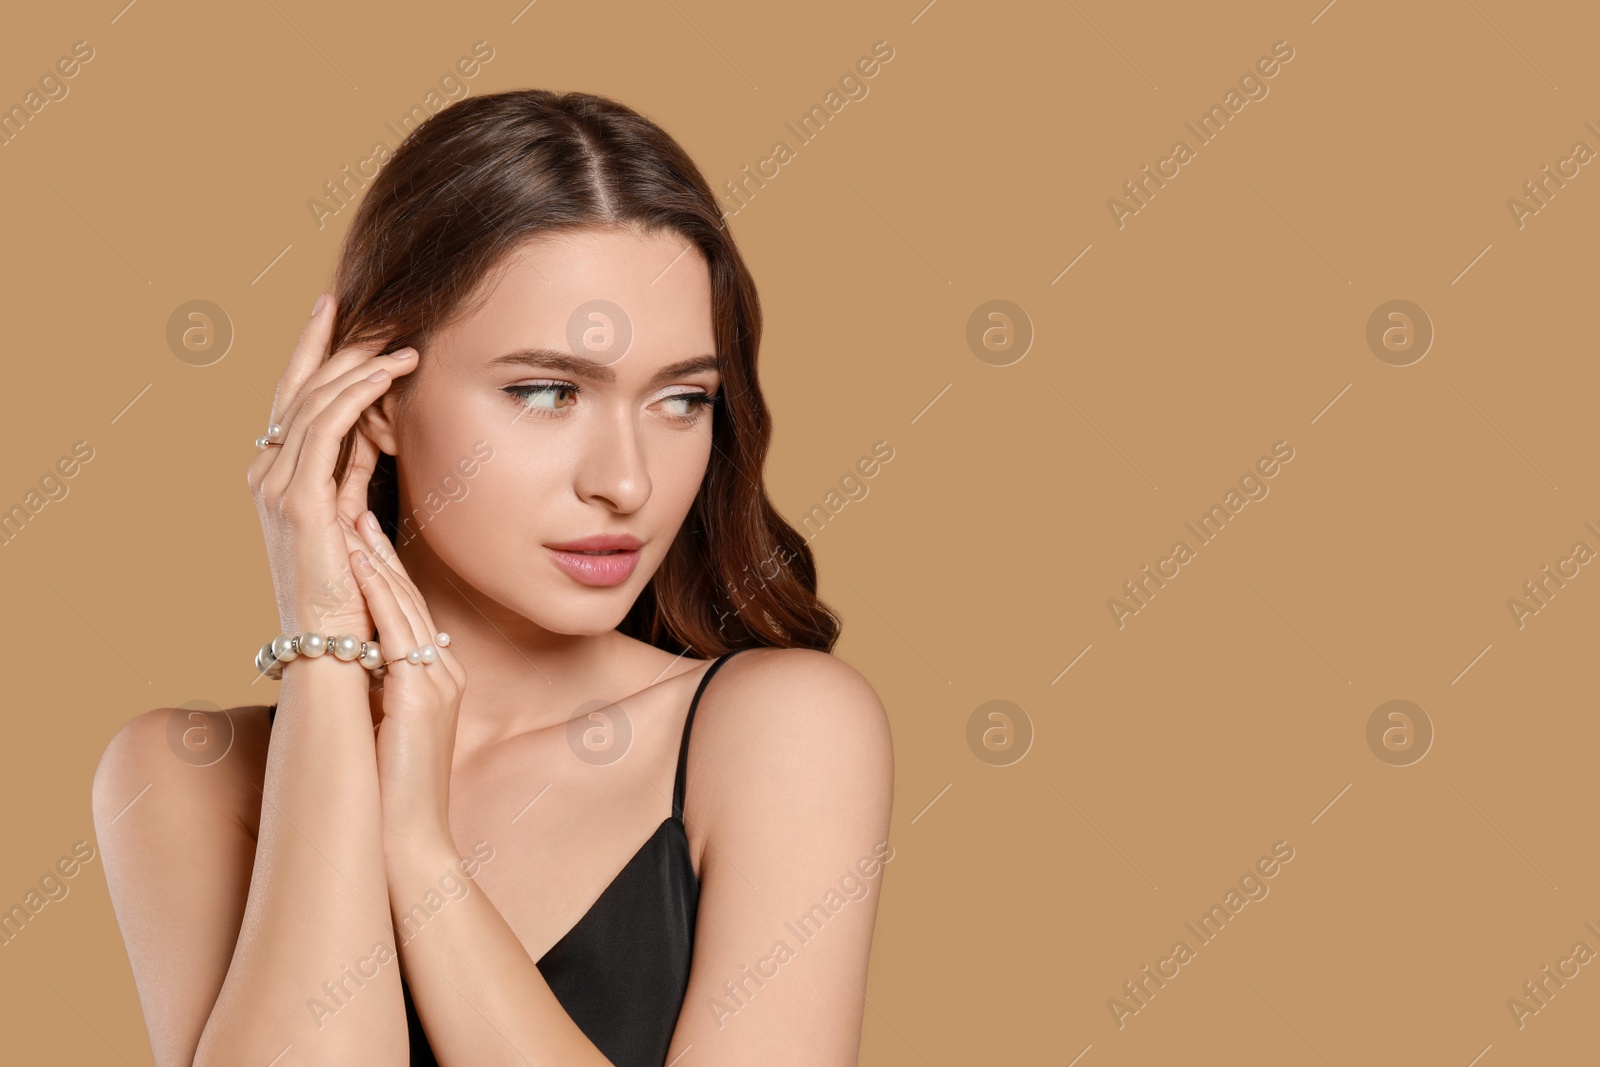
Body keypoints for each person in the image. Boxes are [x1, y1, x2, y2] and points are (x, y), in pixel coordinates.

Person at [91, 88, 894, 1067]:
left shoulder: (781, 730)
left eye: (682, 399)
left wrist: (420, 854)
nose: (627, 480)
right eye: (547, 391)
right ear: (377, 399)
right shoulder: (182, 776)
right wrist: (326, 658)